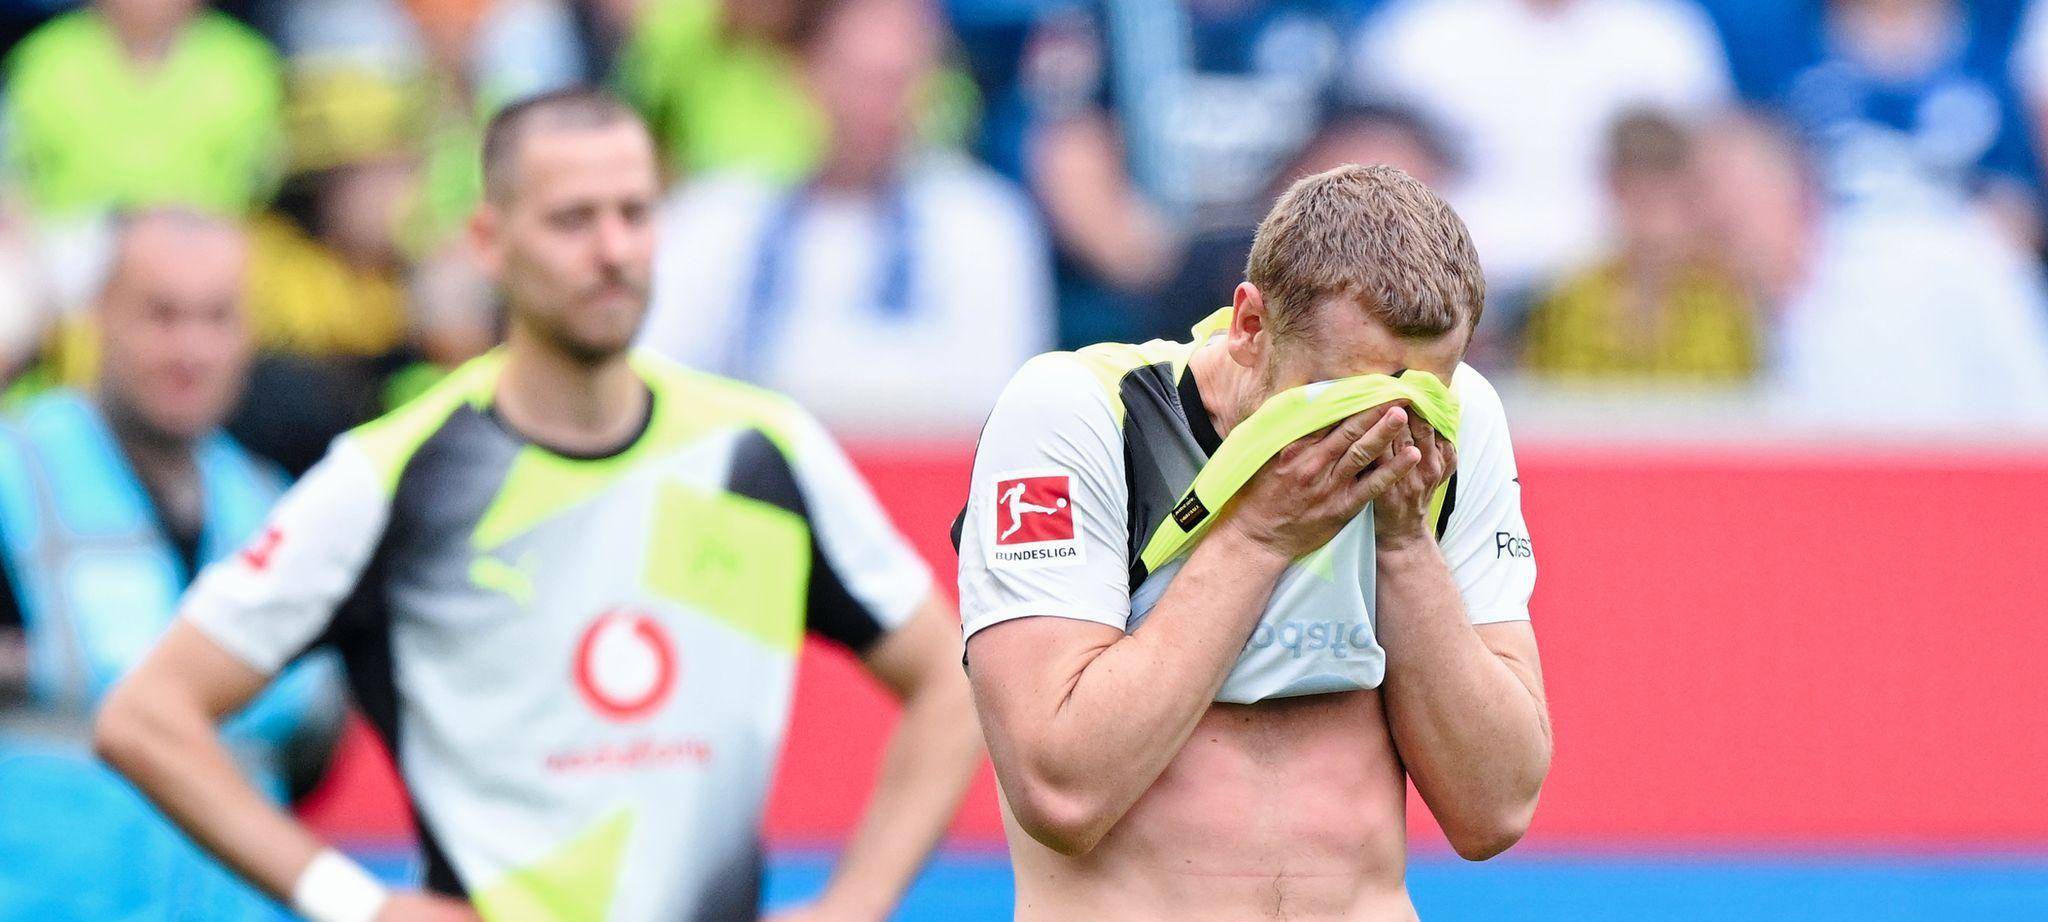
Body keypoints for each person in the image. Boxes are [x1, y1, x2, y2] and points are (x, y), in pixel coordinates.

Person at [95, 89, 983, 922]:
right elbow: (146, 717)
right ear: (488, 239)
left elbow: (954, 675)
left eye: (635, 213)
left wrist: (855, 904)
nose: (613, 249)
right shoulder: (395, 475)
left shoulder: (760, 449)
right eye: (572, 219)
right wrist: (352, 899)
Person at [958, 164, 1550, 920]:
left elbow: (1495, 809)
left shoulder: (1456, 421)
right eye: (1346, 394)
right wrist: (1262, 534)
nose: (1385, 428)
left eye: (1420, 394)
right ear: (1249, 327)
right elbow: (1062, 791)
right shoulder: (1088, 416)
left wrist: (1403, 544)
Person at [0, 210, 341, 920]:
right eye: (161, 315)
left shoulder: (274, 503)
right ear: (100, 317)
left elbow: (314, 734)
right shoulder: (13, 470)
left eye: (217, 318)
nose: (191, 348)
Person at [640, 0, 1052, 434]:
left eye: (896, 80)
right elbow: (656, 378)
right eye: (858, 78)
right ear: (803, 75)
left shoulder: (986, 224)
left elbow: (999, 400)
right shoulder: (716, 218)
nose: (875, 105)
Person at [1352, 0, 1732, 315]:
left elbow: (1701, 184)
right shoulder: (1419, 32)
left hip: (1622, 292)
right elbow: (1371, 185)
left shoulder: (1662, 35)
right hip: (1446, 291)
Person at [1522, 109, 1761, 382]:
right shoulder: (1567, 303)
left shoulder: (1724, 304)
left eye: (1673, 203)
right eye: (1643, 203)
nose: (1658, 228)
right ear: (1615, 192)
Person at [2, 0, 284, 218]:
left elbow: (262, 183)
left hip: (201, 240)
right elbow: (12, 175)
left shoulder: (245, 62)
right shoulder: (44, 58)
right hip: (70, 242)